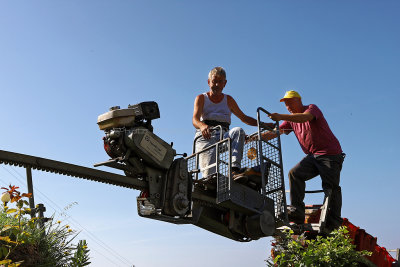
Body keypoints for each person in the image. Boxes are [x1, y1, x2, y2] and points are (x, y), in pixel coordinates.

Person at [261, 90, 345, 230]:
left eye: (290, 103)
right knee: (295, 173)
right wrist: (255, 137)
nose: (288, 107)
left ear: (299, 101)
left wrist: (279, 116)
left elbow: (305, 118)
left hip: (329, 154)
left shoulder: (311, 108)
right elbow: (277, 132)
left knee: (331, 187)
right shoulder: (291, 120)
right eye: (286, 105)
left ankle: (334, 221)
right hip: (313, 156)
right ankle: (297, 212)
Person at [192, 67, 260, 179]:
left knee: (238, 131)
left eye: (220, 82)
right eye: (214, 81)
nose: (217, 85)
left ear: (225, 83)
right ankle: (210, 180)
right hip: (206, 136)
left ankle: (234, 170)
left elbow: (244, 118)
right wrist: (203, 126)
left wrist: (262, 124)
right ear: (209, 82)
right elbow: (195, 120)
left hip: (222, 136)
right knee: (210, 176)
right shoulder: (201, 98)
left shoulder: (228, 100)